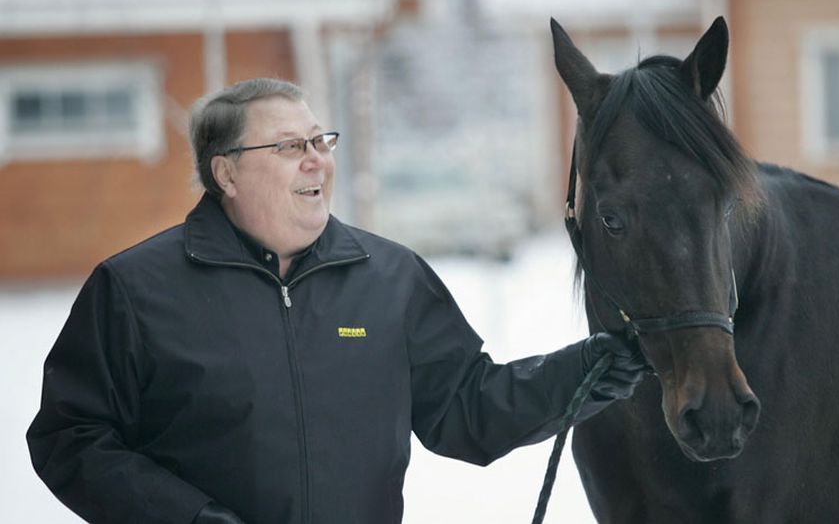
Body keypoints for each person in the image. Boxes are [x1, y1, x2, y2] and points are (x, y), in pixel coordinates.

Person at [26, 78, 647, 524]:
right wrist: (187, 517)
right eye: (289, 146)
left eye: (320, 141)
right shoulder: (136, 290)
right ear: (227, 174)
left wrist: (587, 368)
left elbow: (468, 408)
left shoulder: (390, 279)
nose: (316, 158)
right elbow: (70, 436)